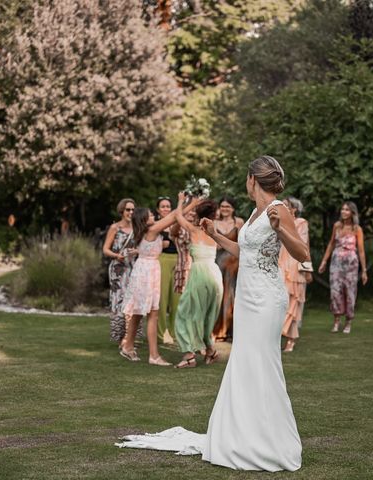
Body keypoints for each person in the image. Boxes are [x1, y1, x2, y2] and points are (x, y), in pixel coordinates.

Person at [117, 156, 309, 472]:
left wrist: (281, 229)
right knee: (244, 363)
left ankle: (271, 442)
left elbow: (302, 253)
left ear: (252, 179)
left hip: (266, 299)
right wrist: (216, 235)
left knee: (262, 364)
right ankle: (242, 435)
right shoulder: (255, 213)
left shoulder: (278, 210)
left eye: (247, 180)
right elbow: (244, 251)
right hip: (247, 298)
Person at [121, 197, 202, 366]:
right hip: (147, 272)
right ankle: (154, 356)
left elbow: (172, 216)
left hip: (144, 270)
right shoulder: (152, 230)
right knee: (153, 313)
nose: (153, 217)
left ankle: (127, 347)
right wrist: (186, 203)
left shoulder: (146, 231)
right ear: (144, 219)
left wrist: (190, 204)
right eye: (150, 215)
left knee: (137, 312)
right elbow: (173, 217)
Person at [172, 194, 223, 369]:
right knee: (208, 314)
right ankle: (210, 351)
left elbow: (177, 216)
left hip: (200, 273)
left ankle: (188, 356)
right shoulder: (214, 232)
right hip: (215, 274)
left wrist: (181, 201)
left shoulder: (194, 231)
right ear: (214, 215)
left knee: (184, 313)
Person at [318, 201, 368, 334]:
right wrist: (324, 261)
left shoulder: (357, 229)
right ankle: (336, 321)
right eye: (342, 209)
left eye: (347, 210)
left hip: (351, 264)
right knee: (335, 292)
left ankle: (348, 322)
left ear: (352, 212)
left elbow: (361, 251)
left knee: (350, 292)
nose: (343, 212)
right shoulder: (337, 226)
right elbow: (330, 244)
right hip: (336, 263)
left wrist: (364, 271)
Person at [102, 198, 139, 344]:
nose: (131, 212)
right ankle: (120, 336)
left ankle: (130, 336)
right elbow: (105, 249)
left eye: (132, 210)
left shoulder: (137, 228)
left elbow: (142, 248)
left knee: (133, 300)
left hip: (134, 268)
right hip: (117, 269)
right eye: (128, 210)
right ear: (121, 211)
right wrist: (117, 255)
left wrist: (135, 251)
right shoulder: (115, 228)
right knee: (119, 301)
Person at [278, 197, 312, 352]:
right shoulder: (277, 222)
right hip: (280, 265)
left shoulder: (301, 223)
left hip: (295, 266)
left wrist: (307, 270)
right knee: (279, 303)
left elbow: (304, 247)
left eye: (286, 206)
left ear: (294, 209)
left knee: (293, 303)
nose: (283, 207)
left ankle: (291, 340)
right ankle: (276, 336)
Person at [211, 196, 244, 342]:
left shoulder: (239, 222)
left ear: (233, 208)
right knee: (218, 294)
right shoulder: (214, 222)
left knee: (232, 295)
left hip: (233, 265)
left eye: (228, 206)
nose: (225, 209)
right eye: (223, 206)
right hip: (217, 262)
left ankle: (231, 330)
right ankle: (217, 330)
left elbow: (243, 243)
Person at [156, 196, 180, 344]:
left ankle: (174, 333)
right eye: (163, 206)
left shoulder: (178, 224)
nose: (165, 209)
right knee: (162, 299)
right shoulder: (156, 225)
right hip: (162, 260)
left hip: (178, 260)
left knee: (177, 298)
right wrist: (160, 245)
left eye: (168, 206)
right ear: (158, 210)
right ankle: (160, 334)